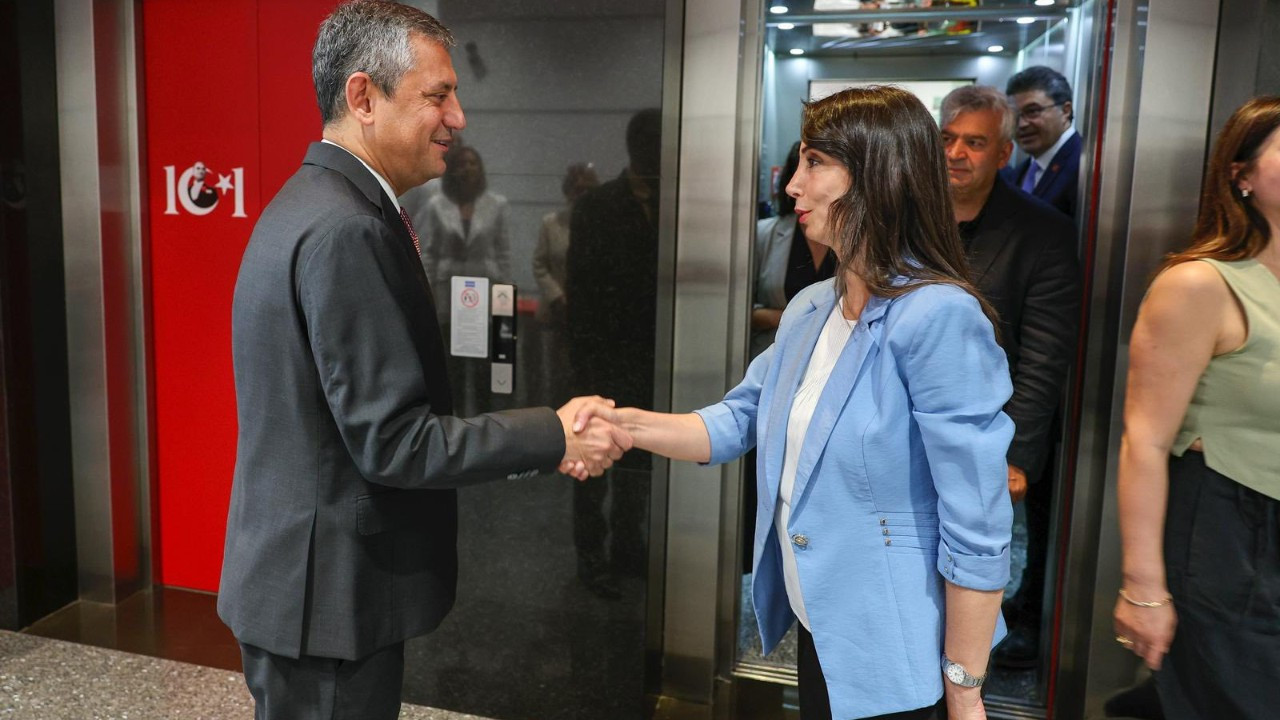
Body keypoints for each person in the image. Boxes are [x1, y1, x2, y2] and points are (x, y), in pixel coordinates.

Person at [218, 3, 630, 718]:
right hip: (328, 603)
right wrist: (554, 432)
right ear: (363, 97)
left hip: (307, 588)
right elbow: (395, 442)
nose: (458, 118)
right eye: (438, 95)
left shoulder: (315, 201)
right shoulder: (347, 230)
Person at [592, 86, 1015, 720]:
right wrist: (620, 424)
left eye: (815, 163)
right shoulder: (813, 307)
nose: (793, 184)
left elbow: (976, 522)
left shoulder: (937, 317)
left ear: (877, 177)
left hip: (897, 649)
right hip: (823, 626)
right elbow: (738, 418)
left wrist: (964, 689)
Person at [1114, 95, 1280, 720]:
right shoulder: (1201, 283)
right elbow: (1145, 441)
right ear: (1241, 176)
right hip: (1228, 529)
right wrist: (1143, 590)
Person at [940, 85, 1081, 670]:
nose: (956, 153)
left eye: (974, 143)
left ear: (1002, 154)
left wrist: (1016, 455)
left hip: (989, 433)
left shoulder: (1042, 232)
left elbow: (1044, 357)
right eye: (948, 138)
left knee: (979, 564)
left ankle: (968, 669)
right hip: (911, 423)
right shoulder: (908, 217)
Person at [564, 109, 662, 594]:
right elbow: (579, 292)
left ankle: (628, 547)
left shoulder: (677, 203)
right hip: (601, 357)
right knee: (590, 464)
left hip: (651, 356)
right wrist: (582, 366)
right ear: (635, 148)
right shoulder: (596, 206)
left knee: (636, 459)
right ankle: (591, 557)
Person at [532, 162, 599, 401]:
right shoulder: (551, 223)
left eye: (587, 190)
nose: (581, 195)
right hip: (556, 313)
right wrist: (558, 297)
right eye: (576, 189)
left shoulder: (602, 225)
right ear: (568, 191)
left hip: (591, 315)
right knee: (556, 376)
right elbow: (539, 264)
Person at [1001, 66, 1083, 218]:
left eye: (1033, 111)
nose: (1022, 124)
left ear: (1065, 111)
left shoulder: (1085, 166)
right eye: (1015, 116)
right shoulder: (1019, 173)